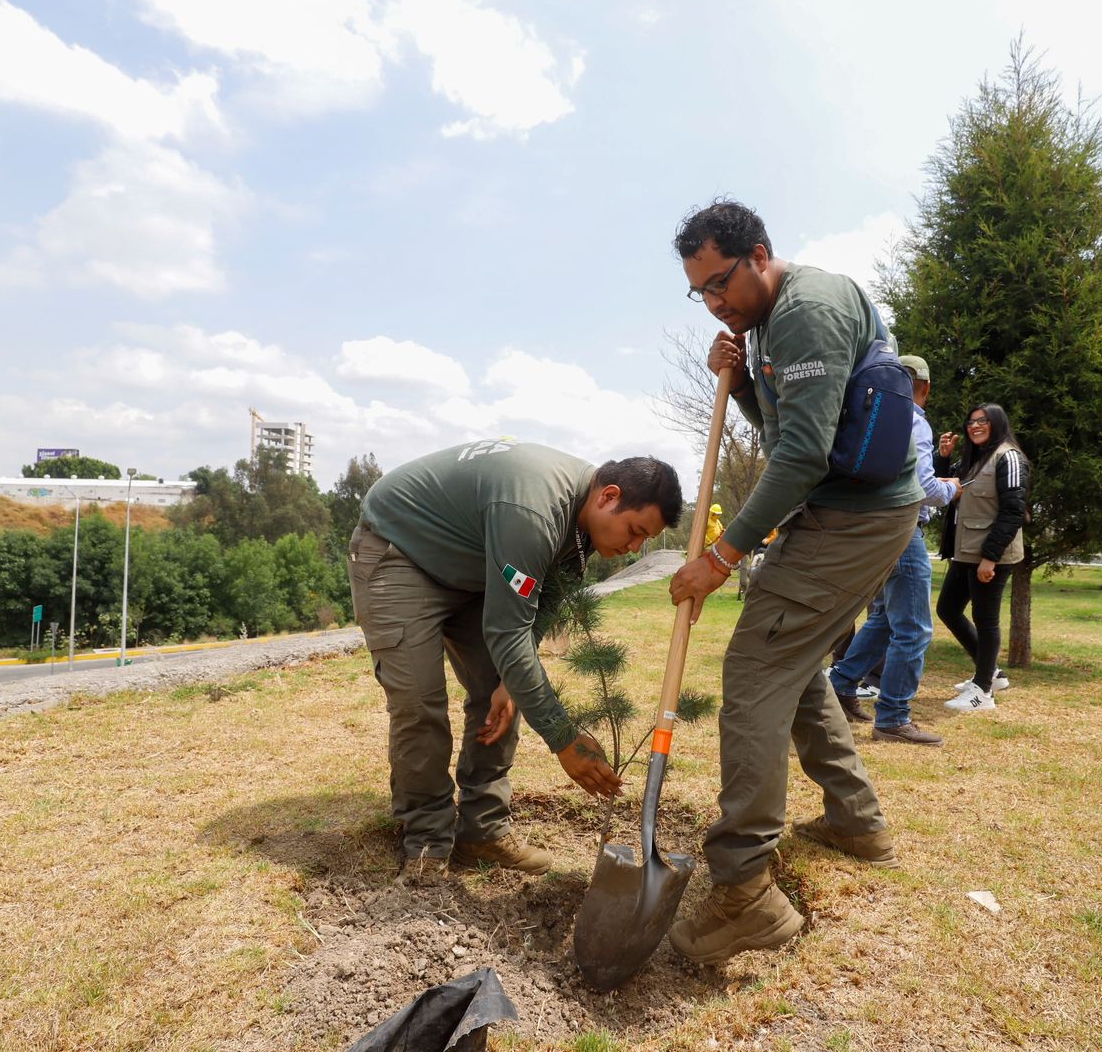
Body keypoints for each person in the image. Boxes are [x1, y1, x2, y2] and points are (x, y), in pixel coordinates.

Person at [665, 199, 925, 964]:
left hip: (855, 519)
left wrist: (721, 556)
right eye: (700, 293)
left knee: (755, 668)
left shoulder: (807, 312)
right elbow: (791, 435)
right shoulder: (771, 325)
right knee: (793, 661)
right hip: (842, 512)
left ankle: (745, 891)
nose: (714, 303)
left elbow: (803, 458)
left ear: (759, 255)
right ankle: (855, 820)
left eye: (720, 283)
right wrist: (747, 385)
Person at [349, 439, 683, 880]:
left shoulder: (582, 520)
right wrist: (564, 740)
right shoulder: (534, 512)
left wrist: (509, 682)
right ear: (609, 496)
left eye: (645, 540)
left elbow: (544, 602)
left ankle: (482, 832)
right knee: (419, 702)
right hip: (401, 552)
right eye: (635, 531)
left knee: (505, 690)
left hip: (473, 569)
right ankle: (427, 841)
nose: (635, 546)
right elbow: (508, 634)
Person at [826, 355, 959, 745]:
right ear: (926, 388)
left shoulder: (869, 415)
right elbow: (924, 487)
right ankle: (893, 716)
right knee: (914, 628)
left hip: (871, 530)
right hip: (903, 527)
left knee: (884, 618)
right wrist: (952, 488)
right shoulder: (915, 420)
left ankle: (840, 685)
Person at [934, 404, 1030, 712]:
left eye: (982, 421)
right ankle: (991, 673)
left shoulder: (1008, 457)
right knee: (948, 609)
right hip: (965, 552)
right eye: (971, 422)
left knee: (985, 619)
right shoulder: (974, 459)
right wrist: (943, 457)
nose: (974, 426)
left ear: (997, 423)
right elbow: (942, 486)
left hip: (991, 556)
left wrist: (990, 557)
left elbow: (1013, 511)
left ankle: (983, 692)